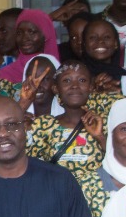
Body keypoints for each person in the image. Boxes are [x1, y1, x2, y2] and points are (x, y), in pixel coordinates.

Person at [26, 60, 106, 191]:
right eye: (67, 81)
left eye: (82, 80)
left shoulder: (101, 122)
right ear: (56, 88)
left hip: (94, 200)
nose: (74, 86)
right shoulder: (44, 124)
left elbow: (118, 163)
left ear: (91, 87)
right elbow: (25, 163)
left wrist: (101, 137)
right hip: (56, 199)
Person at [0, 9, 60, 83]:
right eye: (19, 33)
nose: (24, 38)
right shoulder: (4, 74)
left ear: (46, 35)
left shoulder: (59, 72)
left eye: (31, 32)